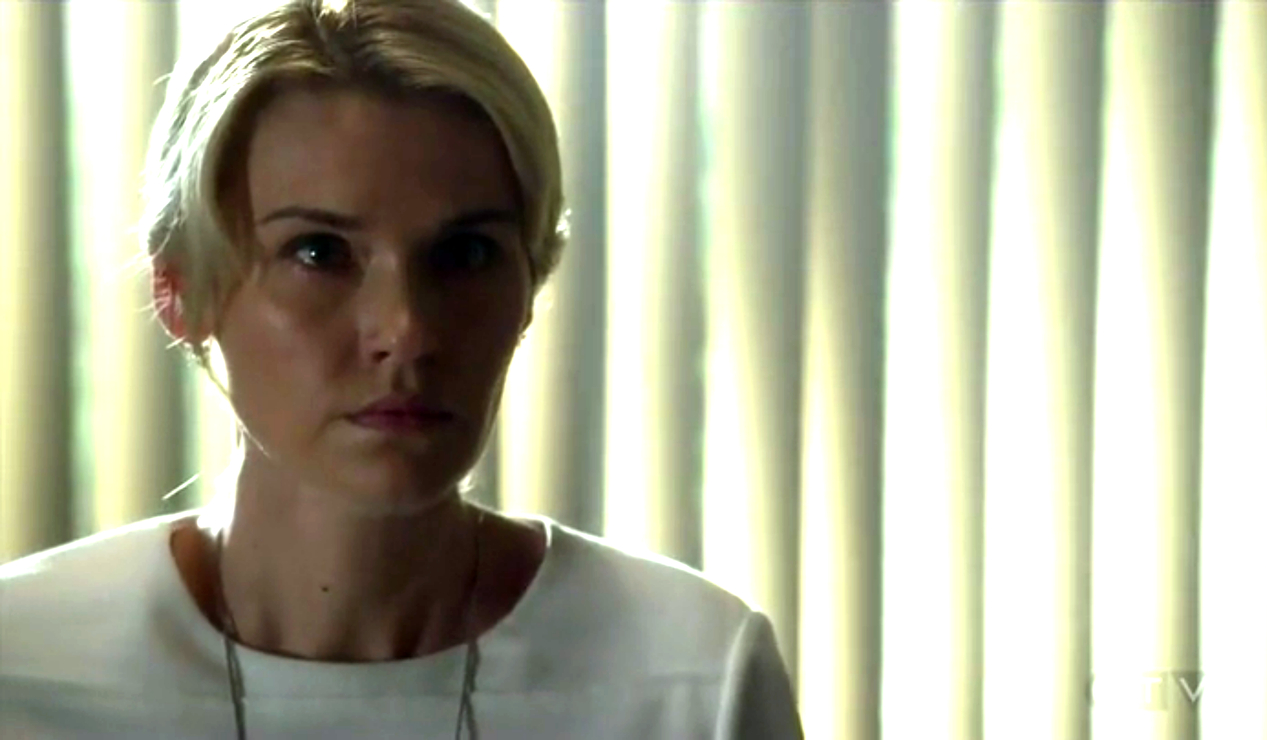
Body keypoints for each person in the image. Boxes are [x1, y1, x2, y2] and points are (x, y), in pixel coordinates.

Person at [0, 0, 804, 737]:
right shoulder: (24, 664)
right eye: (319, 253)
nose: (408, 331)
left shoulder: (692, 677)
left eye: (466, 254)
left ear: (529, 287)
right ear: (179, 293)